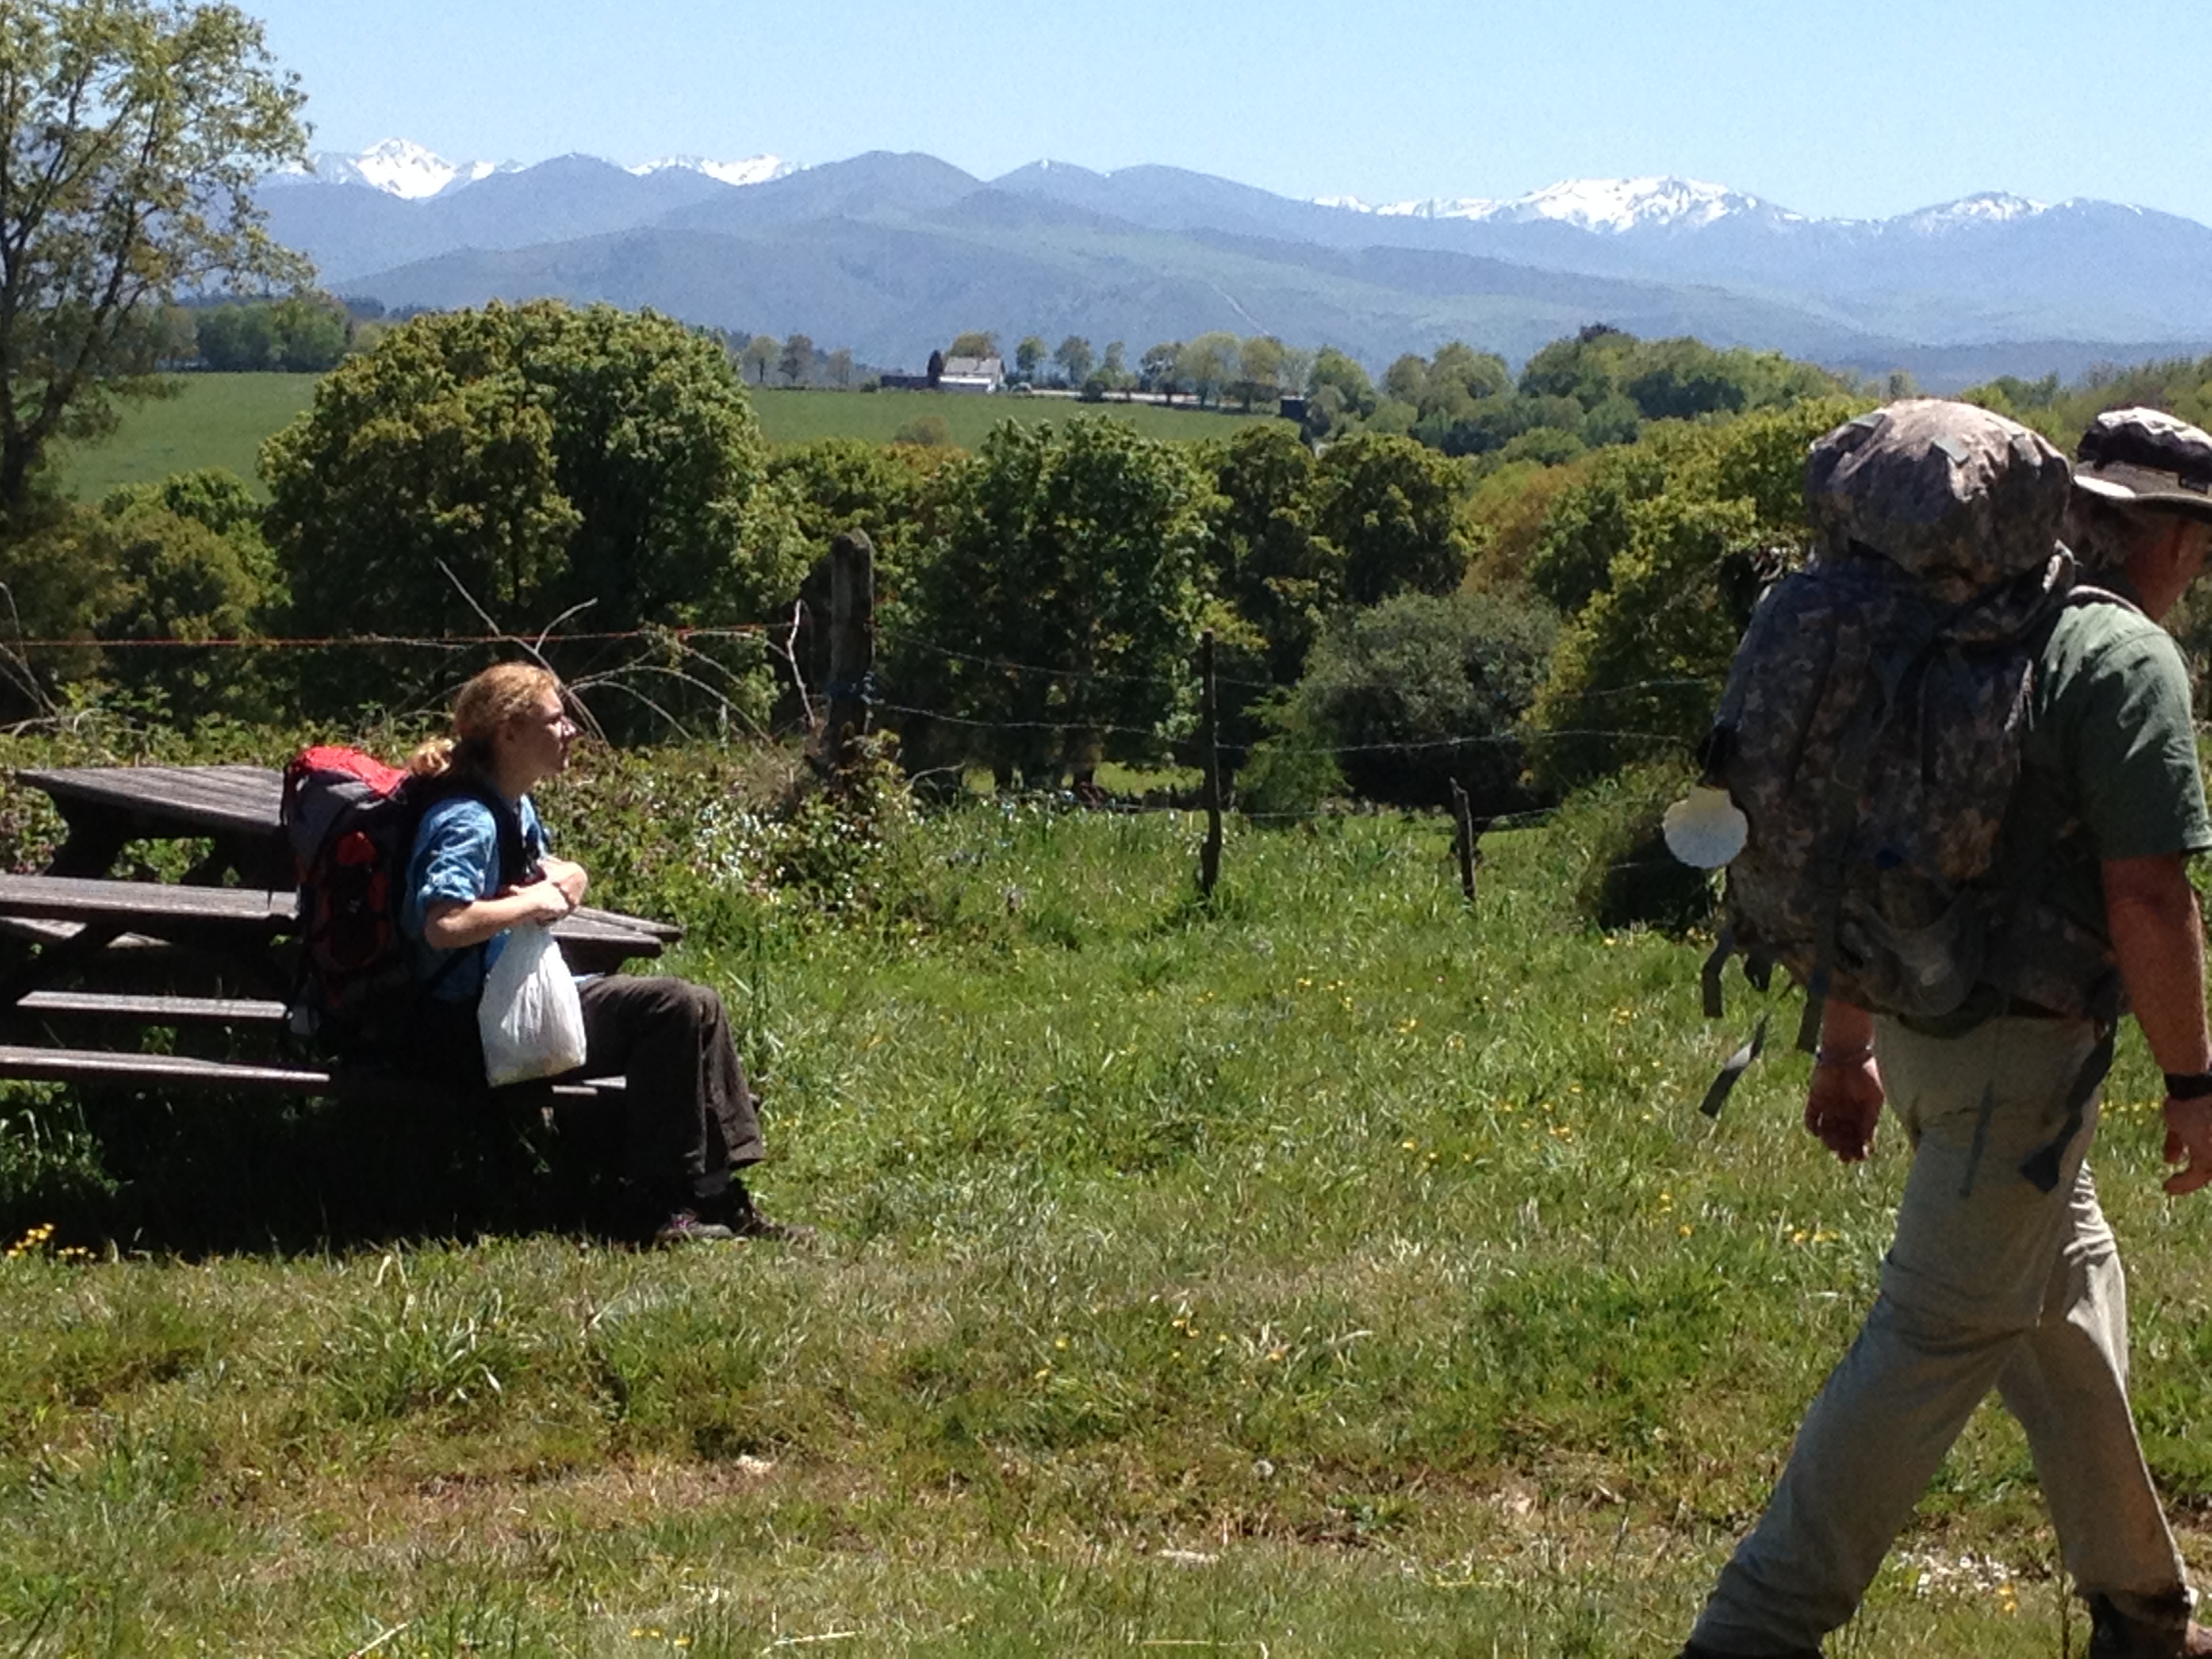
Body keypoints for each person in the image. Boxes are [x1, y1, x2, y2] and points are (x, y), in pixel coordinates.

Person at [1681, 408, 2212, 1659]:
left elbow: (1868, 844)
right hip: (2018, 1069)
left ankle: (2142, 1609)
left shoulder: (1936, 633)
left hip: (1922, 1034)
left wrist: (1844, 1043)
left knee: (2063, 1300)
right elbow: (2148, 899)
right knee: (1932, 1337)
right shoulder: (2116, 659)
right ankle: (1752, 1630)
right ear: (2179, 541)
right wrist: (2197, 1080)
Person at [399, 661, 801, 1247]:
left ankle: (715, 1193)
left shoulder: (513, 806)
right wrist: (535, 901)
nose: (570, 731)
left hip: (507, 1006)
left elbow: (539, 869)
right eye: (555, 720)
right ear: (509, 734)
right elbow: (444, 924)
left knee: (700, 1004)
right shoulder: (466, 819)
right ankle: (655, 1204)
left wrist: (572, 874)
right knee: (670, 1007)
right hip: (464, 1029)